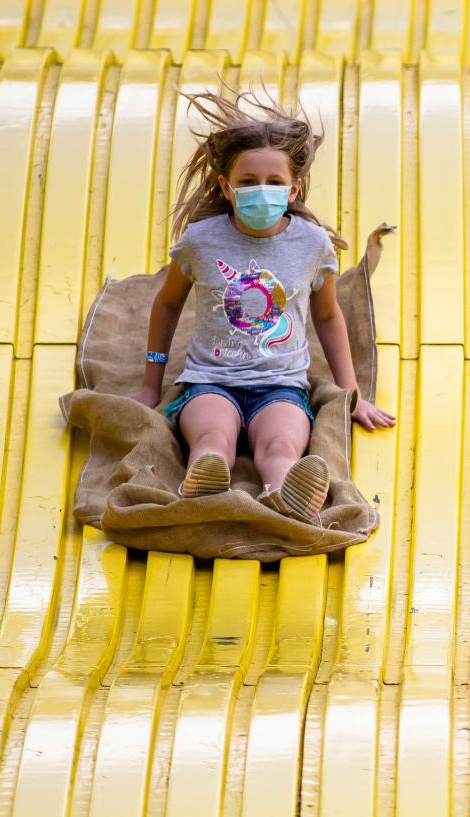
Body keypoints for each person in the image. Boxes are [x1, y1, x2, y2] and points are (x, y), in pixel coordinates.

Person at [129, 89, 395, 522]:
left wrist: (354, 396)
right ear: (226, 187)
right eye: (248, 183)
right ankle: (204, 479)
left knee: (281, 448)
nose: (261, 191)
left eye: (274, 183)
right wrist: (150, 381)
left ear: (294, 189)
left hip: (282, 385)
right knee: (214, 438)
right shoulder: (201, 240)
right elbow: (167, 304)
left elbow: (327, 315)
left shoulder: (312, 244)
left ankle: (284, 493)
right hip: (210, 380)